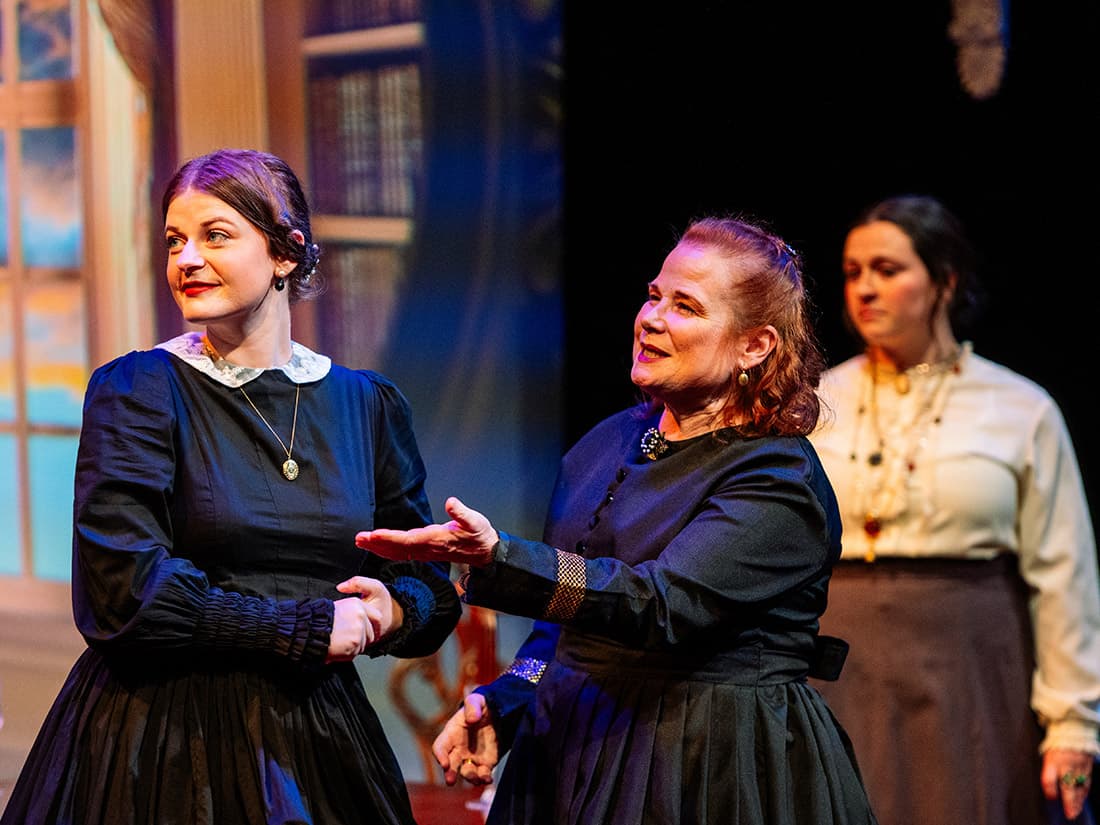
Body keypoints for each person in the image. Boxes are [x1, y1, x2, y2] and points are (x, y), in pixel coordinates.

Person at [349, 215, 879, 824]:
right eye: (654, 295)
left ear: (753, 345)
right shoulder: (606, 444)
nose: (651, 318)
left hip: (704, 760)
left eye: (686, 306)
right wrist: (508, 700)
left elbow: (659, 605)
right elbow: (565, 626)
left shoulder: (776, 482)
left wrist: (501, 559)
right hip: (575, 745)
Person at [0, 148, 462, 825]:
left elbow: (428, 580)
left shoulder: (367, 404)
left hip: (318, 737)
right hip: (161, 739)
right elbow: (125, 594)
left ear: (285, 253)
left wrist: (389, 612)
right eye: (173, 241)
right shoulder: (140, 389)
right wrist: (305, 627)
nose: (185, 258)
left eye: (214, 235)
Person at [807, 193, 1100, 825]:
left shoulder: (1019, 407)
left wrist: (1074, 724)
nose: (865, 289)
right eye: (854, 272)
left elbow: (1064, 573)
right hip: (837, 665)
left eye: (887, 270)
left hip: (970, 667)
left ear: (945, 280)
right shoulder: (816, 403)